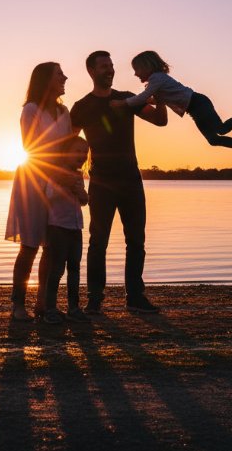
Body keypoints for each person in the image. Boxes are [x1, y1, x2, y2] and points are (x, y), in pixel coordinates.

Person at [69, 51, 168, 314]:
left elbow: (160, 120)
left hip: (131, 181)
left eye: (111, 65)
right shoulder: (81, 107)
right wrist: (72, 173)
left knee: (136, 240)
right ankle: (94, 298)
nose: (110, 70)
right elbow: (66, 142)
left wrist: (161, 99)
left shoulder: (127, 99)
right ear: (91, 71)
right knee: (98, 241)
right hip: (101, 182)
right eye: (104, 66)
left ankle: (134, 296)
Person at [110, 50, 232, 166]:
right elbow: (152, 98)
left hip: (198, 103)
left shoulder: (156, 78)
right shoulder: (156, 82)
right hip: (194, 109)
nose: (135, 74)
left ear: (147, 67)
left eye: (136, 69)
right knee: (213, 140)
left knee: (221, 128)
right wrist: (146, 101)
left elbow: (143, 97)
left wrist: (121, 103)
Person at [5, 62, 73, 322]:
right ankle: (17, 304)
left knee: (53, 246)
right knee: (30, 245)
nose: (65, 77)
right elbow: (32, 146)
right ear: (46, 80)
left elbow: (66, 148)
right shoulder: (31, 110)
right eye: (59, 74)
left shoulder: (64, 111)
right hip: (33, 181)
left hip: (58, 183)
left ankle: (44, 303)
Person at [39, 136, 91, 324]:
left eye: (85, 152)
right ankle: (50, 309)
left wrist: (81, 193)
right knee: (57, 269)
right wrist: (63, 185)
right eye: (77, 151)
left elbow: (84, 201)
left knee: (75, 268)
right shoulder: (55, 174)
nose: (82, 155)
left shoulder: (78, 175)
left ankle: (73, 307)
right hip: (58, 228)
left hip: (76, 228)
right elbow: (48, 196)